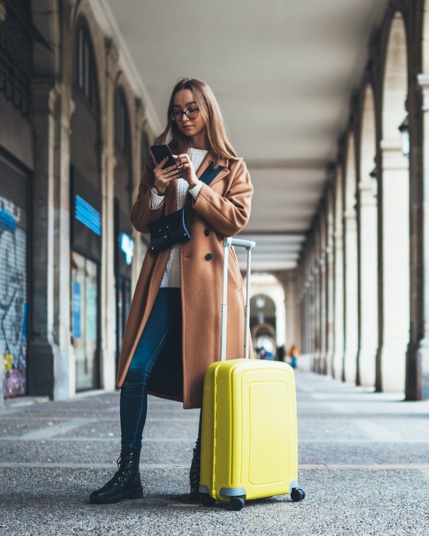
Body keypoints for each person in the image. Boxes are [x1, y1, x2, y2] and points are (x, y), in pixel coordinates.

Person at [90, 78, 253, 504]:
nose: (182, 118)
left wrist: (195, 186)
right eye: (176, 111)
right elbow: (140, 218)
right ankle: (129, 472)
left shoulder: (231, 165)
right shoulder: (158, 160)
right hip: (164, 281)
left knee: (210, 379)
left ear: (207, 111)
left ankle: (203, 472)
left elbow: (235, 219)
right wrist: (159, 188)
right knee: (135, 370)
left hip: (210, 286)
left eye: (191, 109)